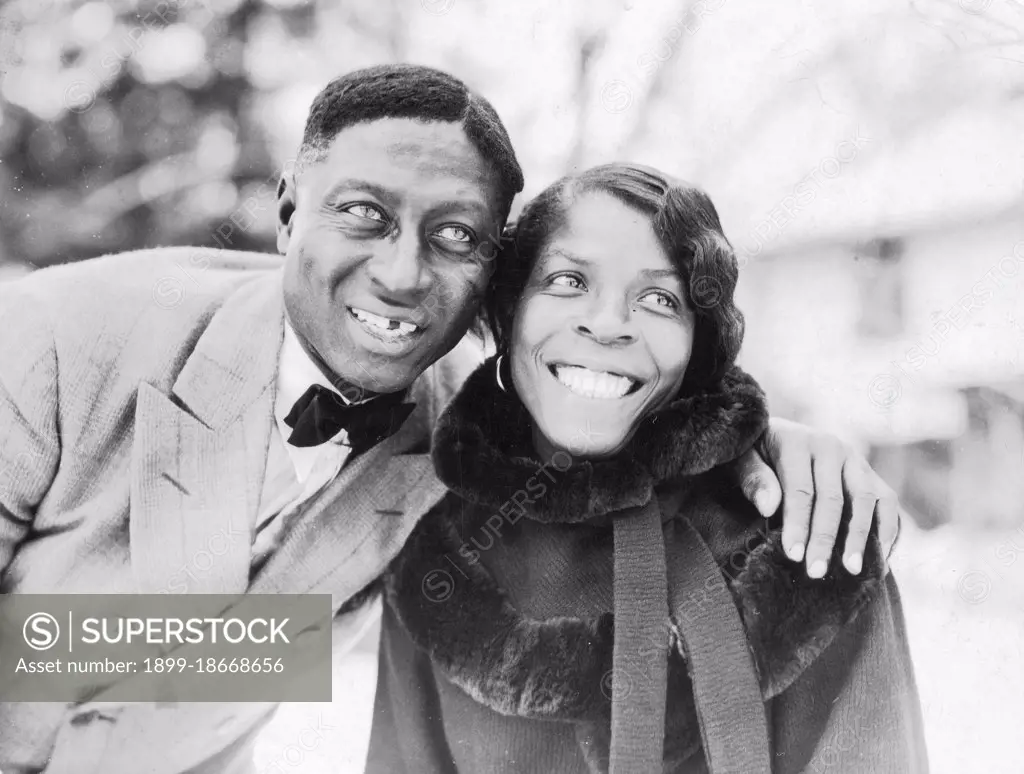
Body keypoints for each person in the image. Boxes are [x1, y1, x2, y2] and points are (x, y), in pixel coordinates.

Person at [0, 65, 901, 773]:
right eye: (363, 214)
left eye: (456, 237)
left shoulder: (462, 444)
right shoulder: (52, 342)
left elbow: (606, 386)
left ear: (486, 292)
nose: (401, 274)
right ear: (286, 212)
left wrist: (765, 437)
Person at [366, 164, 928, 773]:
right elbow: (263, 649)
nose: (608, 324)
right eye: (567, 280)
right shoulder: (435, 547)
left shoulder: (809, 536)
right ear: (508, 313)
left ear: (698, 347)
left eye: (660, 299)